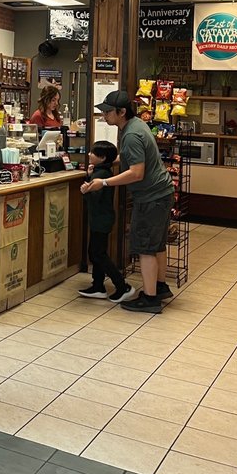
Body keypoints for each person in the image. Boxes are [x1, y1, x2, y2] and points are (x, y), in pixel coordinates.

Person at [81, 90, 174, 314]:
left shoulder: (131, 135)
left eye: (108, 112)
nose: (104, 115)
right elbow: (132, 157)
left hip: (151, 197)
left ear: (121, 112)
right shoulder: (137, 125)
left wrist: (104, 182)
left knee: (145, 247)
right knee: (157, 245)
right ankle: (160, 287)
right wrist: (108, 163)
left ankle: (150, 299)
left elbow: (136, 173)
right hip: (162, 193)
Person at [79, 140, 136, 303]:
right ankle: (98, 286)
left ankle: (122, 286)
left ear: (103, 158)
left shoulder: (101, 175)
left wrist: (85, 191)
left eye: (93, 153)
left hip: (101, 219)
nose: (89, 154)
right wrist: (89, 176)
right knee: (95, 252)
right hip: (101, 218)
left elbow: (95, 198)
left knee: (98, 253)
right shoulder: (101, 171)